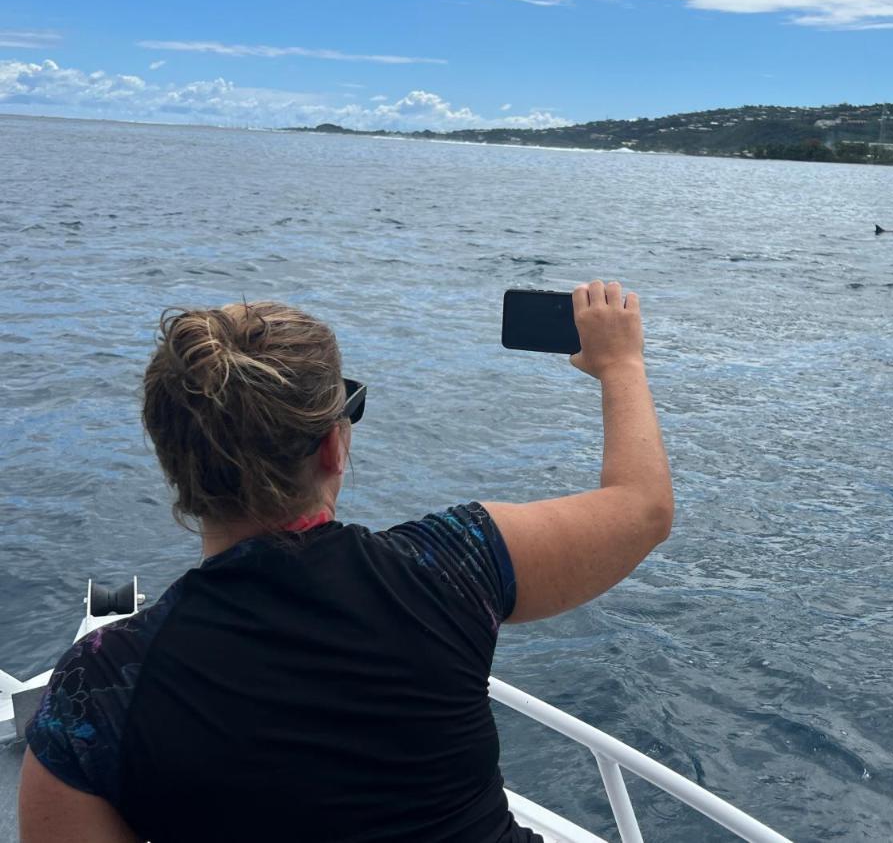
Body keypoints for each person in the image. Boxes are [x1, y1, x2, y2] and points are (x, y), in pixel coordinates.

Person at [18, 280, 673, 843]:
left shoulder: (98, 690)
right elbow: (643, 508)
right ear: (333, 447)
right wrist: (621, 365)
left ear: (171, 460)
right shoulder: (451, 566)